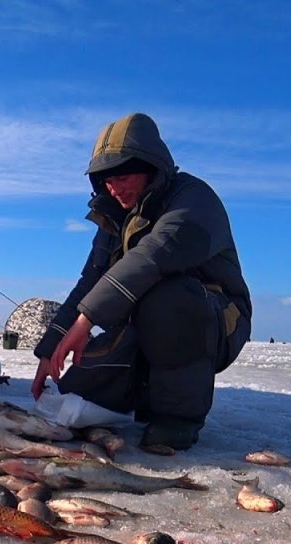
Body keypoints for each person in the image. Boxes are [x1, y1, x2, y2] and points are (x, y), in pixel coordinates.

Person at [31, 112, 251, 453]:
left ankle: (177, 419)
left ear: (152, 167)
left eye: (124, 175)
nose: (115, 188)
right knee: (79, 385)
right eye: (106, 181)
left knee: (168, 296)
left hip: (213, 319)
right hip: (142, 318)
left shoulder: (194, 199)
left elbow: (153, 256)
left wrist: (87, 319)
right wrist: (51, 348)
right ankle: (145, 395)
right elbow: (91, 280)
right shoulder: (115, 217)